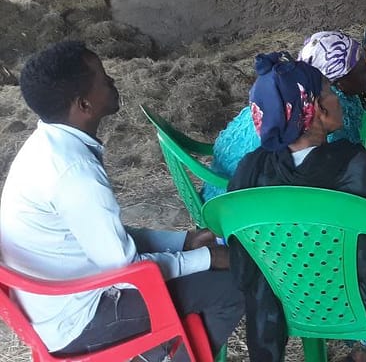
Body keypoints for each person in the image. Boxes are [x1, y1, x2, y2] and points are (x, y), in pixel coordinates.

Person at [0, 41, 243, 360]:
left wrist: (183, 241)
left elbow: (105, 239)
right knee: (232, 287)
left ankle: (156, 351)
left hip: (54, 302)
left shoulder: (47, 144)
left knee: (205, 273)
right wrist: (210, 258)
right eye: (103, 78)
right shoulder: (75, 173)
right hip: (80, 319)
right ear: (83, 104)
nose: (112, 81)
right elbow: (127, 272)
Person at [228, 52, 366, 362]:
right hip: (360, 299)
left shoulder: (251, 169)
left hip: (289, 298)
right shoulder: (352, 167)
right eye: (329, 91)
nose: (337, 97)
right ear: (316, 110)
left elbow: (241, 257)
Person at [205, 31, 366, 200]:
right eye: (359, 67)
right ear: (335, 83)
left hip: (242, 195)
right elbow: (354, 180)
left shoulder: (288, 99)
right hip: (242, 194)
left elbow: (357, 165)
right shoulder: (320, 121)